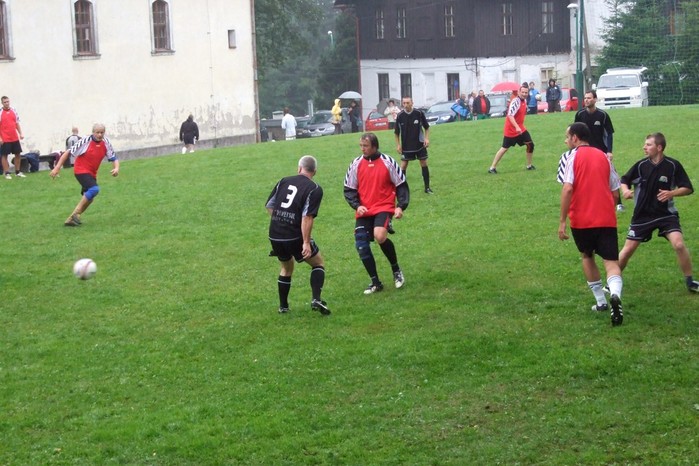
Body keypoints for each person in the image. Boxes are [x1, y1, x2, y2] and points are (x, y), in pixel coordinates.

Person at [558, 122, 624, 326]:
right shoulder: (604, 156)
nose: (566, 140)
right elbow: (615, 191)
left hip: (582, 219)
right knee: (611, 262)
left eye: (567, 137)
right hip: (606, 218)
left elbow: (567, 188)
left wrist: (562, 220)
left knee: (587, 256)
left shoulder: (572, 157)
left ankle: (601, 302)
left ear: (575, 138)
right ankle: (615, 294)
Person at [618, 133, 699, 293]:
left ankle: (690, 282)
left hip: (666, 214)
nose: (644, 147)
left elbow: (688, 188)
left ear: (659, 147)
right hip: (642, 215)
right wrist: (625, 190)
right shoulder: (641, 166)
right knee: (627, 250)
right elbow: (624, 180)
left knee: (679, 244)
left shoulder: (673, 165)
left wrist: (672, 193)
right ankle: (612, 282)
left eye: (648, 145)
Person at [344, 132, 409, 294]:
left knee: (379, 236)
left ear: (374, 146)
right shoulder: (356, 164)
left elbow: (401, 185)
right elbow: (349, 189)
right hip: (364, 210)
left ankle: (396, 270)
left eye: (365, 146)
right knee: (361, 245)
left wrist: (400, 206)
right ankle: (375, 282)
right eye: (361, 146)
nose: (362, 149)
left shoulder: (388, 162)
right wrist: (357, 205)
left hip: (384, 207)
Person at [266, 155, 330, 315]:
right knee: (318, 263)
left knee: (286, 268)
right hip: (294, 236)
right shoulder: (314, 189)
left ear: (299, 168)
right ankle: (316, 299)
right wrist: (306, 242)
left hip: (275, 234)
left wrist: (281, 222)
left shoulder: (283, 181)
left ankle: (283, 307)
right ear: (314, 171)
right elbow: (307, 217)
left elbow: (269, 206)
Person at [50, 123, 120, 226]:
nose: (100, 135)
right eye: (97, 132)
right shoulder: (85, 141)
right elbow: (68, 152)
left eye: (102, 132)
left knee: (90, 198)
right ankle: (75, 214)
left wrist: (116, 168)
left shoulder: (106, 142)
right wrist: (57, 168)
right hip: (80, 170)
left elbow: (113, 157)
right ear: (93, 132)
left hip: (92, 173)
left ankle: (71, 219)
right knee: (94, 189)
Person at [574, 90, 624, 212]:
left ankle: (619, 203)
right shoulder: (580, 114)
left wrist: (609, 151)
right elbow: (575, 132)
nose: (586, 100)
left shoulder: (603, 115)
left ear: (595, 99)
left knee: (610, 174)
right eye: (585, 98)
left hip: (601, 151)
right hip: (585, 151)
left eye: (589, 98)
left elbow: (609, 134)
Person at [488, 85, 535, 174]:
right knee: (504, 148)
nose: (524, 94)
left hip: (521, 128)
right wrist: (516, 127)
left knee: (530, 145)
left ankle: (529, 166)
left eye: (526, 92)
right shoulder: (516, 101)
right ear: (519, 92)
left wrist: (519, 126)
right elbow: (510, 115)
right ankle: (492, 168)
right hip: (511, 130)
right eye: (523, 92)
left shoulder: (524, 101)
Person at [394, 96, 432, 194]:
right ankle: (402, 191)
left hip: (419, 144)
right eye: (404, 103)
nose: (406, 105)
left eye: (408, 103)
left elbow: (427, 127)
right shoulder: (400, 116)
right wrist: (398, 145)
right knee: (403, 165)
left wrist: (426, 139)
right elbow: (396, 133)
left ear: (412, 103)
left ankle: (427, 188)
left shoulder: (419, 113)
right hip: (406, 146)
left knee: (424, 163)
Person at [0, 95, 26, 179]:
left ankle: (17, 172)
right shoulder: (0, 112)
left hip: (14, 137)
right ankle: (7, 173)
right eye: (5, 102)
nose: (7, 103)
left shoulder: (13, 110)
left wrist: (20, 133)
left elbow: (17, 123)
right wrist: (0, 138)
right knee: (4, 155)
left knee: (17, 154)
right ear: (2, 103)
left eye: (8, 101)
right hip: (5, 138)